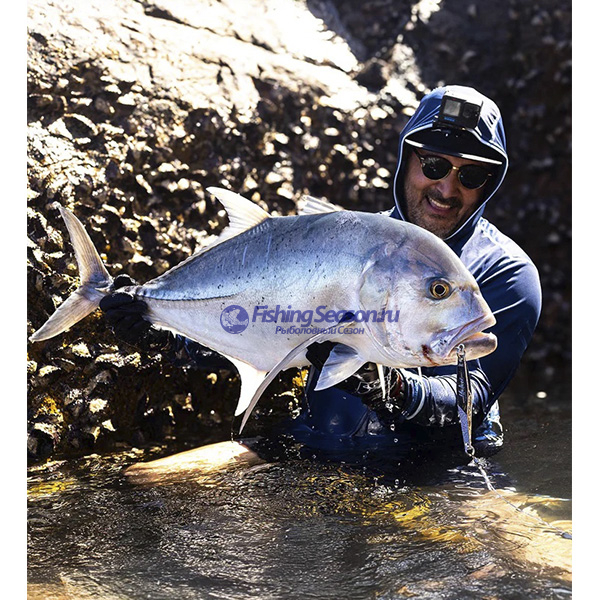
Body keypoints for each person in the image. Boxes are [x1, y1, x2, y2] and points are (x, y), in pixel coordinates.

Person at [100, 85, 542, 458]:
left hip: (435, 474)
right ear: (407, 160)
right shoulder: (345, 247)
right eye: (434, 165)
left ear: (490, 183)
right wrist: (161, 332)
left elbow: (471, 397)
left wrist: (390, 387)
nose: (447, 188)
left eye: (471, 176)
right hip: (315, 453)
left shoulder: (506, 272)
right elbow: (257, 332)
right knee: (140, 480)